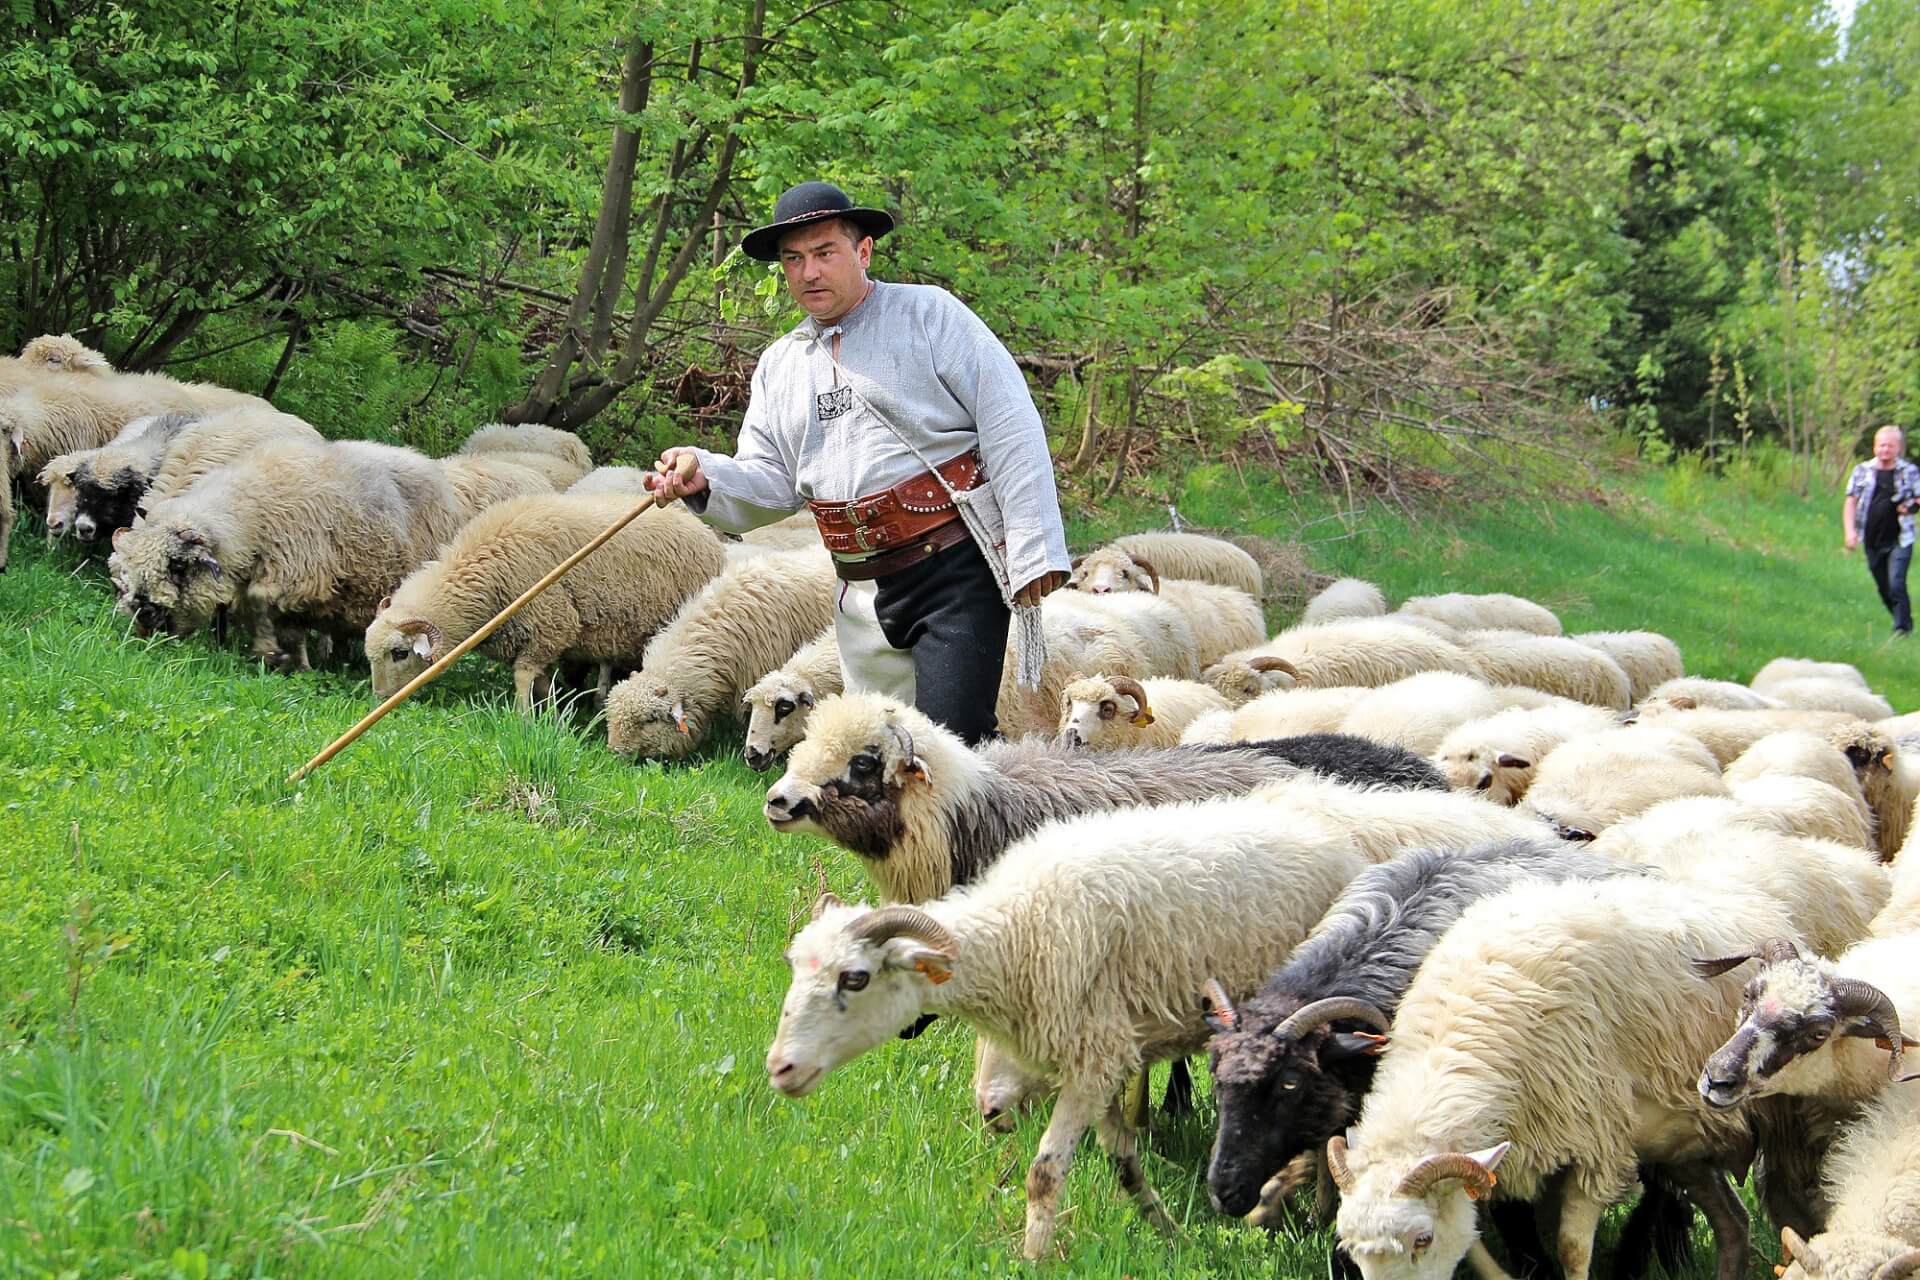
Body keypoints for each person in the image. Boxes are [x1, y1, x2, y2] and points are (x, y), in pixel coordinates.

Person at [644, 181, 1070, 743]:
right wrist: (705, 473)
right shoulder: (781, 364)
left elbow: (1009, 421)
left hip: (953, 568)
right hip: (857, 587)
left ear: (863, 251)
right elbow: (772, 480)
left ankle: (997, 833)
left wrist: (1034, 549)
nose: (808, 272)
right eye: (793, 260)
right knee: (878, 752)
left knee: (953, 747)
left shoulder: (929, 315)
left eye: (825, 253)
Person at [1842, 424, 1920, 637]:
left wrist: (1911, 507)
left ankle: (1901, 629)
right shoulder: (1862, 471)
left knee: (1896, 582)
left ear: (1898, 448)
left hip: (1901, 538)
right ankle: (1902, 619)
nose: (1885, 450)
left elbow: (1918, 498)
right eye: (1881, 445)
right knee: (1884, 588)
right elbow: (1851, 502)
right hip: (1871, 538)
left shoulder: (1909, 471)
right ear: (1875, 446)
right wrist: (1850, 532)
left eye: (1890, 446)